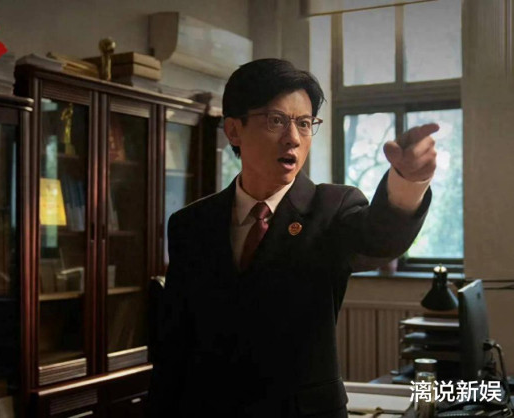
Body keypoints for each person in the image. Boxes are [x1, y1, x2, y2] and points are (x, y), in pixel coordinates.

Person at [148, 59, 437, 417]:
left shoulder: (331, 209)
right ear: (234, 130)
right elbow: (173, 346)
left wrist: (408, 182)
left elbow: (379, 239)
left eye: (304, 123)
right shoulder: (191, 224)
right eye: (276, 120)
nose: (294, 138)